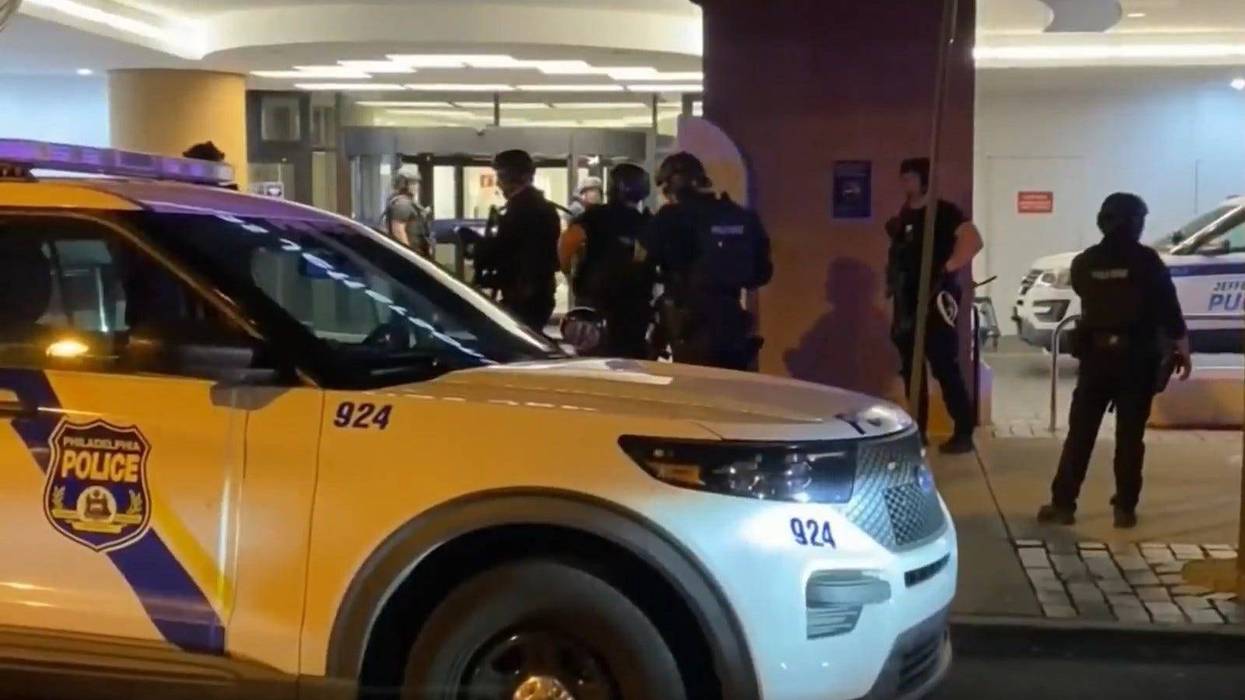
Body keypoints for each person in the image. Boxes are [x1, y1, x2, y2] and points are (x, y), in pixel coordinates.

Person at [1038, 193, 1192, 529]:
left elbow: (1088, 296)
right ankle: (1125, 508)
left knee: (1080, 434)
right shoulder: (1147, 261)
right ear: (1135, 223)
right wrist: (1183, 348)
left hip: (1096, 359)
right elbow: (1169, 308)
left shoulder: (1085, 263)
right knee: (1129, 437)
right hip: (1138, 359)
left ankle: (1063, 504)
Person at [886, 157, 983, 454]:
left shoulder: (943, 212)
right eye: (903, 178)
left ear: (924, 180)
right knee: (911, 370)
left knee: (943, 365)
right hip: (907, 301)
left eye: (910, 178)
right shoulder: (904, 215)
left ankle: (963, 430)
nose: (905, 184)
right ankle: (917, 430)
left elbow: (973, 239)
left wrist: (948, 268)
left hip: (935, 299)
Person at [642, 152, 772, 370]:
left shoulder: (670, 217)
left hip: (688, 322)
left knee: (693, 390)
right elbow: (762, 272)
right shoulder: (739, 215)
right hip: (731, 321)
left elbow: (641, 266)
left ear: (673, 186)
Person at [558, 163, 655, 358]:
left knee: (594, 362)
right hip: (634, 306)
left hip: (596, 303)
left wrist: (568, 271)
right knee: (631, 361)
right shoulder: (646, 221)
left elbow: (569, 240)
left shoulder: (596, 215)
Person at [474, 149, 562, 330]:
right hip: (540, 291)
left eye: (500, 176)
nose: (498, 183)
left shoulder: (518, 210)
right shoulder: (546, 208)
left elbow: (503, 248)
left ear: (510, 176)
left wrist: (479, 248)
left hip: (521, 293)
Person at [383, 167, 433, 258]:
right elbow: (398, 231)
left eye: (416, 183)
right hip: (411, 256)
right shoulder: (402, 204)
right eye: (413, 183)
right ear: (403, 184)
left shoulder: (408, 202)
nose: (416, 186)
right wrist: (410, 257)